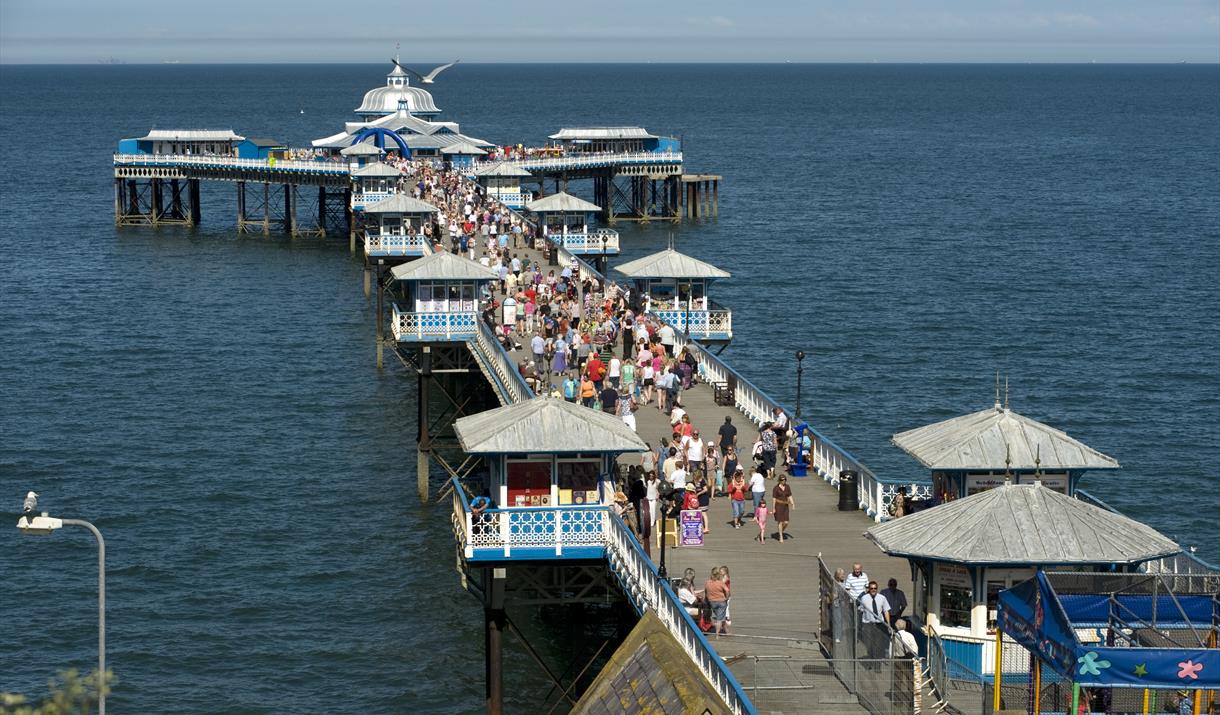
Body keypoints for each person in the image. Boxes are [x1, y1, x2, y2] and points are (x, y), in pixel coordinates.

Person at [858, 581, 891, 665]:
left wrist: (888, 624)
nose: (873, 590)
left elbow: (886, 611)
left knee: (878, 644)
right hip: (868, 624)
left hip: (878, 624)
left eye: (875, 588)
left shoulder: (882, 598)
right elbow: (861, 609)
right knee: (869, 644)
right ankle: (870, 658)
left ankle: (876, 664)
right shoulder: (864, 598)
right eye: (871, 588)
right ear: (869, 589)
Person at [704, 566, 730, 638]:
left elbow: (706, 591)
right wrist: (726, 598)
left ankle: (727, 632)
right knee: (719, 619)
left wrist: (707, 599)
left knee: (721, 617)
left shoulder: (707, 582)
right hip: (721, 601)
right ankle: (717, 634)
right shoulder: (720, 583)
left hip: (712, 602)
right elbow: (727, 590)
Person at [772, 474, 794, 543]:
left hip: (785, 506)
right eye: (782, 480)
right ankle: (781, 536)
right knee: (780, 521)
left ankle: (780, 531)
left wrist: (793, 503)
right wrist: (773, 508)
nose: (783, 481)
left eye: (784, 480)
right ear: (779, 480)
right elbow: (774, 498)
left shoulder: (787, 487)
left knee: (786, 522)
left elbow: (790, 495)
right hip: (778, 506)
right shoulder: (776, 488)